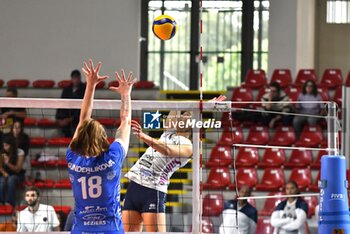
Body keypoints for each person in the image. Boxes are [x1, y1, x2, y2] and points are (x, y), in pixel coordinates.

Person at [122, 95, 227, 232]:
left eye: (188, 115)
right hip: (134, 186)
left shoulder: (189, 146)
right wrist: (204, 105)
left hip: (153, 191)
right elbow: (176, 108)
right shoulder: (169, 133)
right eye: (183, 114)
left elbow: (167, 150)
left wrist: (144, 137)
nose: (183, 115)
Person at [67, 60, 135, 234]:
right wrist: (125, 94)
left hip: (82, 229)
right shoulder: (113, 157)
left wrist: (89, 85)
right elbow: (126, 121)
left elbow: (83, 119)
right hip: (110, 229)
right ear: (103, 138)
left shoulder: (73, 156)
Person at [56, 69, 86, 137]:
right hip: (67, 118)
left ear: (79, 78)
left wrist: (71, 119)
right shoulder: (67, 90)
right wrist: (59, 119)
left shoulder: (84, 89)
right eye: (74, 78)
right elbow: (61, 104)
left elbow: (84, 106)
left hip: (79, 119)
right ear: (71, 79)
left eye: (77, 78)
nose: (76, 80)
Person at [0, 134, 25, 206]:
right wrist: (4, 173)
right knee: (1, 181)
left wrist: (7, 163)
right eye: (3, 145)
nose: (4, 147)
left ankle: (9, 202)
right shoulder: (2, 152)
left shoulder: (20, 152)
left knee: (11, 179)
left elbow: (17, 170)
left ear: (11, 145)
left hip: (17, 175)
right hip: (4, 173)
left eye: (6, 145)